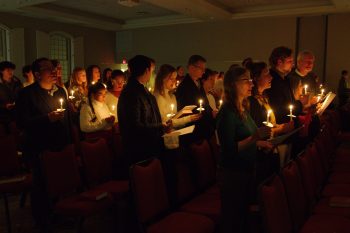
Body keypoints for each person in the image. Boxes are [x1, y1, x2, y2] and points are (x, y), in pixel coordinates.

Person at [15, 57, 71, 232]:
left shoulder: (60, 92)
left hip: (59, 145)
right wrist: (47, 118)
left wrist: (68, 142)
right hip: (39, 146)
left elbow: (67, 119)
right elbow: (22, 122)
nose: (53, 71)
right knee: (41, 185)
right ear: (37, 74)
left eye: (53, 68)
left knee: (58, 182)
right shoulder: (27, 94)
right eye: (48, 69)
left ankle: (58, 213)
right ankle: (42, 220)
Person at [216, 66, 272, 233]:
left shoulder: (243, 109)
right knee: (233, 218)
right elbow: (229, 149)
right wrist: (256, 138)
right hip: (233, 174)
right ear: (233, 84)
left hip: (247, 169)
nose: (251, 84)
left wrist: (264, 143)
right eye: (246, 80)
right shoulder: (227, 113)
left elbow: (248, 138)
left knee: (243, 216)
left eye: (251, 80)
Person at [118, 55, 170, 165]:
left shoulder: (139, 88)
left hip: (146, 144)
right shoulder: (132, 92)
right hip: (141, 149)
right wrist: (160, 126)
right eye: (151, 70)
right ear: (147, 70)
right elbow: (135, 125)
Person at [175, 55, 214, 141]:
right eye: (201, 68)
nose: (204, 71)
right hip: (195, 131)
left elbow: (205, 102)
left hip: (204, 127)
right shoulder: (184, 87)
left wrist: (212, 112)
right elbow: (183, 110)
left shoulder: (199, 82)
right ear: (192, 68)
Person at [265, 46, 295, 124]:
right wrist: (301, 104)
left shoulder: (285, 78)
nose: (292, 64)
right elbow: (279, 108)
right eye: (289, 61)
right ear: (279, 62)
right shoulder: (272, 81)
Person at [0, 61, 23, 125]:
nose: (11, 72)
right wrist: (4, 106)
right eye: (8, 70)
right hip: (2, 116)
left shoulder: (17, 82)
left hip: (16, 114)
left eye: (12, 70)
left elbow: (23, 95)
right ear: (2, 71)